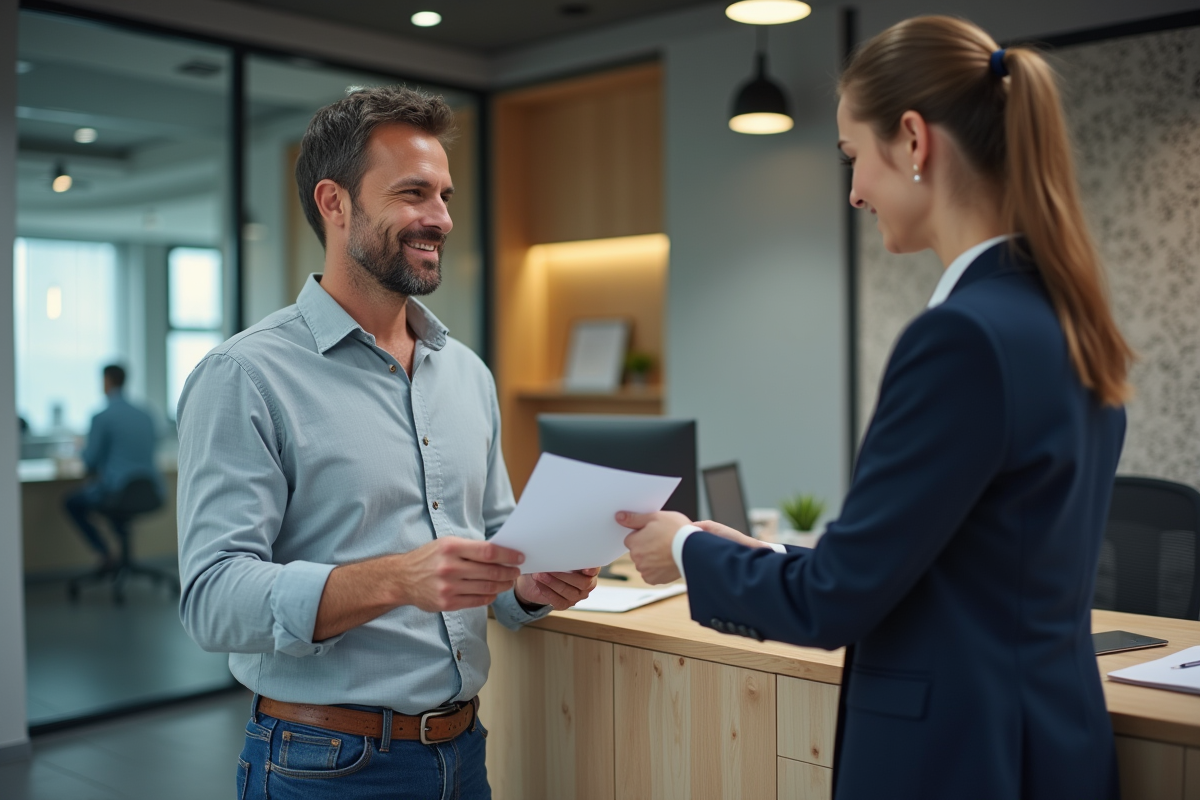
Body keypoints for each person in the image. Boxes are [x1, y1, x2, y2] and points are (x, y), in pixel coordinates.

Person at [621, 16, 1134, 800]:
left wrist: (687, 551)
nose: (854, 191)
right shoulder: (1067, 319)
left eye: (853, 157)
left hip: (961, 760)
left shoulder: (960, 338)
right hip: (1052, 747)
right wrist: (759, 560)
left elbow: (834, 605)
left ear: (915, 141)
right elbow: (945, 573)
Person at [176, 85, 598, 800]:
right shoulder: (244, 375)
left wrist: (526, 585)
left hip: (462, 752)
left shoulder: (466, 372)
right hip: (322, 764)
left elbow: (491, 539)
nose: (440, 218)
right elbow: (212, 600)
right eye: (413, 193)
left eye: (444, 194)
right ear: (334, 203)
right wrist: (394, 579)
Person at [64, 364, 162, 568]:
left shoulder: (102, 417)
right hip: (150, 491)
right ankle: (123, 559)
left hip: (118, 492)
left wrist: (80, 448)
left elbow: (90, 461)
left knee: (73, 502)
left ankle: (106, 553)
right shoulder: (147, 415)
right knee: (113, 503)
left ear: (107, 381)